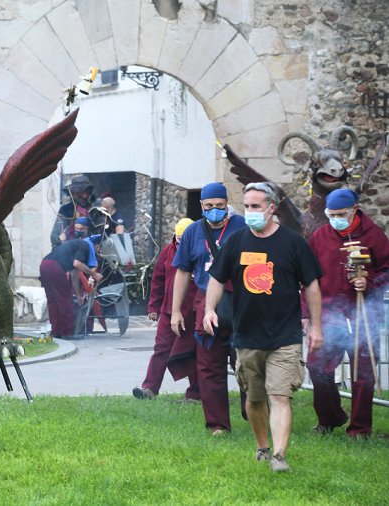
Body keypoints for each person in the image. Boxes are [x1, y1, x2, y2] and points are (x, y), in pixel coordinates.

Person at [203, 182, 324, 472]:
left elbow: (312, 284)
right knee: (255, 399)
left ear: (271, 208)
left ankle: (280, 457)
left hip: (285, 335)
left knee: (280, 396)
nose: (250, 212)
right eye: (246, 207)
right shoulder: (235, 241)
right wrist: (209, 310)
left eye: (256, 207)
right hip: (247, 334)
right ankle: (262, 447)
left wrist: (316, 326)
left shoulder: (293, 243)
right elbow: (217, 278)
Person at [306, 188, 389, 438]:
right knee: (317, 366)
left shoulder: (374, 235)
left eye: (340, 214)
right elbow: (308, 278)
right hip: (329, 313)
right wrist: (307, 315)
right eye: (331, 214)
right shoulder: (320, 236)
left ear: (355, 209)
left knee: (362, 374)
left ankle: (360, 429)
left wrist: (370, 280)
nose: (335, 219)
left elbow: (387, 269)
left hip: (364, 313)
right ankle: (330, 417)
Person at [170, 182, 247, 435]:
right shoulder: (193, 231)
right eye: (209, 206)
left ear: (227, 205)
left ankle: (253, 407)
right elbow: (182, 271)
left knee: (247, 363)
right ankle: (218, 424)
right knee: (209, 367)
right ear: (202, 206)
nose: (215, 210)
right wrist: (176, 310)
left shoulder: (243, 226)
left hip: (241, 303)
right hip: (206, 305)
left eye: (220, 206)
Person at [133, 218, 199, 401]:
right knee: (161, 349)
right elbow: (158, 280)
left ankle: (195, 393)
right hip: (169, 311)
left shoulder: (201, 251)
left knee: (193, 351)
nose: (181, 243)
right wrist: (153, 306)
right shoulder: (167, 251)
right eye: (178, 239)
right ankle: (150, 389)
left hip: (193, 311)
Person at [40, 220, 103, 340]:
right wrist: (93, 274)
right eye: (98, 249)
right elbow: (77, 263)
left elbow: (74, 272)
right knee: (65, 300)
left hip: (44, 264)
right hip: (55, 267)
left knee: (53, 301)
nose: (97, 252)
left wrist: (78, 294)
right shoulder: (85, 245)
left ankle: (55, 331)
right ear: (96, 246)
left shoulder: (76, 244)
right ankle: (67, 332)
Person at [50, 175, 94, 248]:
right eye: (80, 192)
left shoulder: (94, 210)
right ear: (72, 194)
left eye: (87, 192)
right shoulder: (65, 210)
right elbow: (54, 236)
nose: (85, 196)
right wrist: (60, 239)